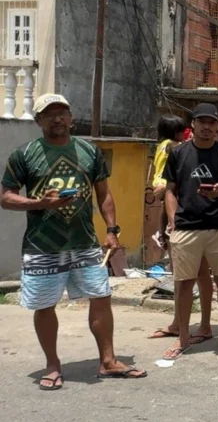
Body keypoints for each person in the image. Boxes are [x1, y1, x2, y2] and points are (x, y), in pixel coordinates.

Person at [0, 94, 147, 389]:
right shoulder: (24, 154)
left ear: (70, 116)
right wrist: (39, 203)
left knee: (101, 297)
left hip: (85, 242)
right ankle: (52, 366)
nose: (57, 119)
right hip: (43, 245)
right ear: (39, 120)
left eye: (62, 113)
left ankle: (108, 361)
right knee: (45, 305)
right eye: (49, 114)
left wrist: (112, 230)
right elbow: (5, 197)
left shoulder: (88, 151)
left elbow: (103, 193)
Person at [162, 103, 218, 360]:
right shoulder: (178, 154)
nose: (207, 127)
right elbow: (170, 190)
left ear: (217, 126)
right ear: (193, 125)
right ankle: (183, 338)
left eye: (212, 123)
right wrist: (173, 220)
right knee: (184, 284)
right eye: (202, 122)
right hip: (187, 227)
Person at [148, 115, 215, 344]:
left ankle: (194, 324)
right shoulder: (175, 149)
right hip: (177, 215)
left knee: (195, 273)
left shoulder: (171, 148)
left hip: (187, 218)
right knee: (185, 273)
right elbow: (168, 185)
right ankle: (182, 323)